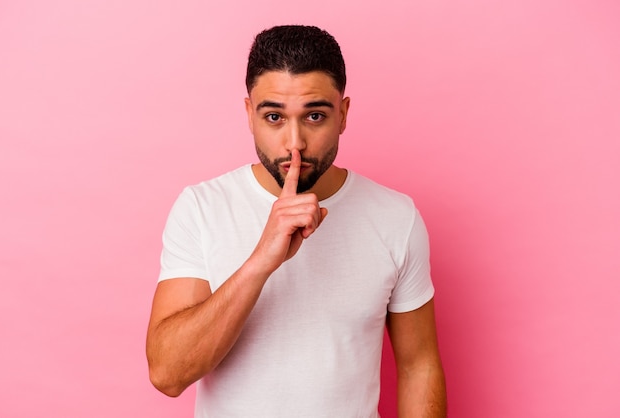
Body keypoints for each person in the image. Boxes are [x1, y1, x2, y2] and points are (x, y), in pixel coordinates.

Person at [146, 25, 446, 417]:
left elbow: (418, 365)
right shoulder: (202, 208)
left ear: (343, 115)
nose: (295, 143)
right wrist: (261, 261)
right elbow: (168, 374)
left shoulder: (395, 217)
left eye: (315, 116)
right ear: (249, 115)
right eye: (273, 116)